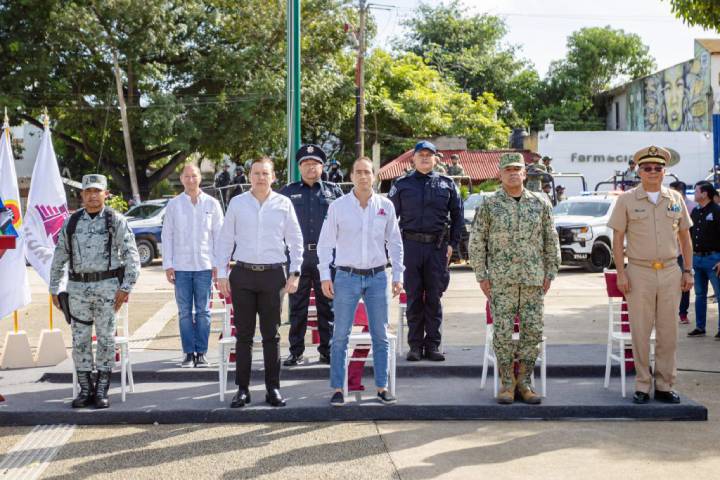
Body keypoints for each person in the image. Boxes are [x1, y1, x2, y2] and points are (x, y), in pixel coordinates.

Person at [468, 153, 559, 405]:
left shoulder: (540, 204)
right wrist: (481, 275)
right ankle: (507, 384)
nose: (512, 173)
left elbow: (550, 240)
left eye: (516, 169)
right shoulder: (489, 204)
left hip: (533, 279)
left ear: (524, 173)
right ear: (500, 174)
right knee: (503, 334)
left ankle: (525, 383)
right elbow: (477, 242)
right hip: (501, 281)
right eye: (507, 169)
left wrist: (550, 272)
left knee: (532, 333)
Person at [214, 158, 303, 408]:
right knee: (243, 336)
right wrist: (221, 272)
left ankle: (272, 389)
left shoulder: (283, 204)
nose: (261, 177)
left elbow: (295, 241)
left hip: (273, 277)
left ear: (273, 177)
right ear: (249, 176)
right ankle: (242, 390)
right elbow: (225, 240)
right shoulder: (237, 203)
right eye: (256, 173)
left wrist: (295, 273)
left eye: (265, 173)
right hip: (242, 274)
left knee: (271, 336)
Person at [608, 146, 693, 405]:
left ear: (664, 171)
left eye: (658, 168)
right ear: (639, 171)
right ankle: (643, 385)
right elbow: (618, 237)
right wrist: (621, 272)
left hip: (669, 270)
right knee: (641, 332)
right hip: (639, 272)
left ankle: (665, 384)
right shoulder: (627, 200)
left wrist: (688, 270)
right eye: (647, 168)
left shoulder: (675, 199)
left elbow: (685, 238)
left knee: (669, 332)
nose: (653, 172)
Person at [318, 157, 404, 406]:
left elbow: (395, 243)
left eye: (368, 172)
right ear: (351, 176)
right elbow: (326, 244)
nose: (363, 176)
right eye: (359, 172)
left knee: (380, 334)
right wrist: (325, 275)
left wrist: (397, 275)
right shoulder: (338, 207)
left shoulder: (385, 206)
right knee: (341, 335)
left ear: (374, 176)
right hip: (346, 276)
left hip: (377, 277)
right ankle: (337, 388)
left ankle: (381, 387)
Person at [49, 174, 141, 409]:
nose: (92, 195)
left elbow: (132, 255)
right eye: (88, 191)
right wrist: (54, 288)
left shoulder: (115, 220)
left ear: (105, 194)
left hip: (107, 289)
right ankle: (85, 388)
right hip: (77, 290)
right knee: (79, 340)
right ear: (81, 195)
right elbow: (59, 256)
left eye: (97, 191)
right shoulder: (71, 222)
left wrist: (126, 287)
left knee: (106, 340)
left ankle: (101, 389)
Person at [389, 140, 463, 362]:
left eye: (428, 155)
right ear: (413, 158)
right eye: (420, 155)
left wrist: (453, 245)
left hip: (437, 248)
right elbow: (389, 219)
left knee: (433, 297)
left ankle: (432, 345)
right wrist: (392, 250)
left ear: (435, 158)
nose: (424, 158)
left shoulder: (447, 184)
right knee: (413, 297)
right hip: (409, 247)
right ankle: (415, 345)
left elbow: (458, 217)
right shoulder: (401, 184)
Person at [280, 145, 343, 366]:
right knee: (298, 307)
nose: (310, 168)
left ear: (322, 167)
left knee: (328, 305)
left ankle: (327, 350)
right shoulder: (287, 192)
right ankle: (296, 351)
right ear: (299, 167)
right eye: (306, 164)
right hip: (299, 257)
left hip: (326, 259)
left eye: (314, 164)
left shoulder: (334, 192)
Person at [162, 164, 224, 368]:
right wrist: (168, 264)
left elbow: (219, 236)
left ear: (200, 178)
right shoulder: (174, 205)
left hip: (205, 266)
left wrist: (218, 264)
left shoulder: (212, 204)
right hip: (181, 266)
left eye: (194, 176)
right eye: (187, 176)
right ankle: (189, 353)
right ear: (181, 179)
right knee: (185, 312)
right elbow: (167, 235)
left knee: (204, 311)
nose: (190, 180)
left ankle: (202, 353)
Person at [687, 181, 720, 338]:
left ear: (705, 193)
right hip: (697, 259)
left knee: (719, 294)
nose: (694, 193)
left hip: (714, 259)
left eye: (696, 191)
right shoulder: (695, 212)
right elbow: (689, 235)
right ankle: (700, 327)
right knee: (700, 295)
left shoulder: (717, 211)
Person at [669, 180, 697, 324]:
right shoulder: (668, 204)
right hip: (670, 252)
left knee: (684, 283)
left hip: (683, 252)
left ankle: (683, 313)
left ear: (680, 191)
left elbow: (689, 234)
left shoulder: (693, 207)